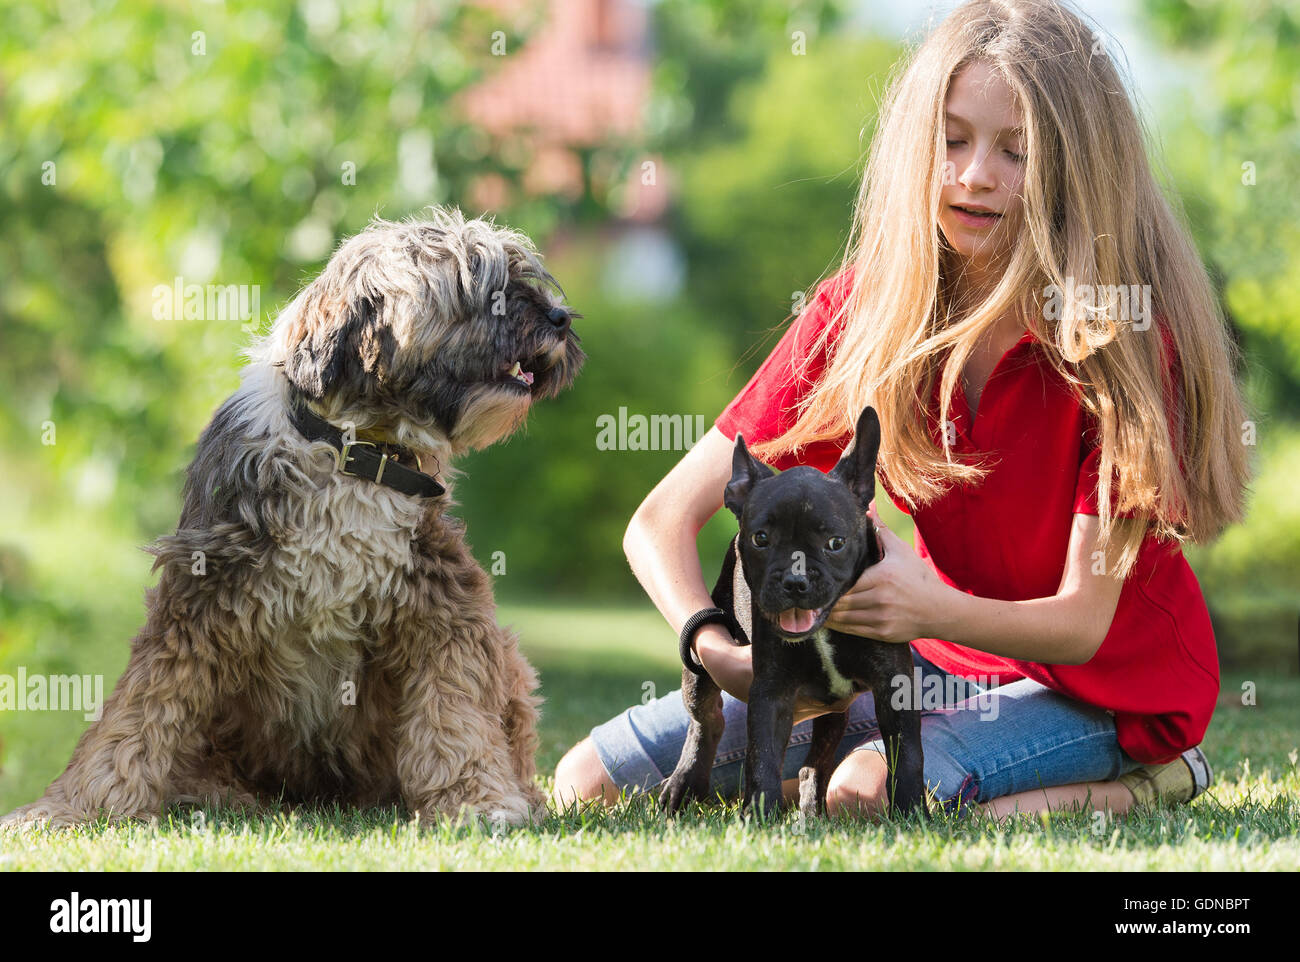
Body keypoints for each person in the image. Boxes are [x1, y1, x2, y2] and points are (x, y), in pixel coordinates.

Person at [553, 0, 1250, 819]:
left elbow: (1081, 625)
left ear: (1075, 170)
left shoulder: (1121, 345)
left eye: (1015, 151)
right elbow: (659, 521)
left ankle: (1149, 779)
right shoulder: (862, 316)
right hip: (938, 659)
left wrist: (928, 606)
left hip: (1105, 687)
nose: (974, 174)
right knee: (587, 782)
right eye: (951, 139)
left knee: (855, 795)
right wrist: (715, 648)